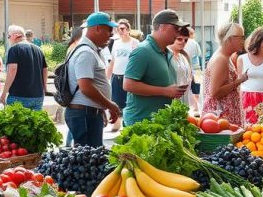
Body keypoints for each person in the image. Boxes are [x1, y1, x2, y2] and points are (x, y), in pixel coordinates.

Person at [63, 13, 121, 147]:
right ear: (98, 28)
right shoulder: (86, 52)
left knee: (92, 158)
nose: (111, 34)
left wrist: (100, 109)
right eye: (109, 30)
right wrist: (109, 105)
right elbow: (86, 87)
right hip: (84, 115)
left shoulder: (91, 50)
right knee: (86, 161)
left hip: (88, 113)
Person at [123, 10, 188, 125]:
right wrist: (165, 91)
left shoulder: (167, 52)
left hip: (159, 121)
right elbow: (128, 85)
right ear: (162, 27)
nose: (178, 33)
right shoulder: (143, 51)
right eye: (175, 28)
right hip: (142, 122)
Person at [203, 22, 245, 123]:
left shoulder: (225, 57)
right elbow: (215, 92)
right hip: (221, 117)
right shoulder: (221, 59)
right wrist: (239, 81)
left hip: (223, 115)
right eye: (241, 38)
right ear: (230, 39)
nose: (243, 41)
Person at [1, 24, 48, 111]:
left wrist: (4, 93)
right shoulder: (38, 49)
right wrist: (44, 88)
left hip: (19, 95)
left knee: (16, 124)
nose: (8, 39)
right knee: (35, 124)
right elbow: (44, 69)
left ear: (15, 36)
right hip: (38, 95)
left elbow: (12, 70)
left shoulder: (14, 49)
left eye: (8, 36)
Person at [238, 27, 263, 125]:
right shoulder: (242, 59)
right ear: (257, 41)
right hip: (246, 98)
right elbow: (238, 83)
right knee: (247, 130)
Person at [106, 19, 139, 131]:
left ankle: (128, 124)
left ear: (128, 30)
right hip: (116, 76)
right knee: (115, 101)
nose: (120, 31)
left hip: (128, 77)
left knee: (128, 101)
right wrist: (107, 77)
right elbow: (112, 61)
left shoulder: (135, 43)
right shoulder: (116, 43)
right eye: (118, 29)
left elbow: (138, 60)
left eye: (122, 28)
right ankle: (116, 123)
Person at [169, 26, 196, 110]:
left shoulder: (183, 57)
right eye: (179, 39)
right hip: (170, 104)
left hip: (184, 103)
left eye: (186, 40)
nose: (183, 42)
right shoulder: (165, 56)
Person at [184, 35, 204, 109]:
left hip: (186, 68)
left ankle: (192, 106)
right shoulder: (194, 43)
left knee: (188, 89)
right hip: (196, 68)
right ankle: (196, 107)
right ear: (191, 34)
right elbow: (199, 54)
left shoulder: (182, 42)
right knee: (197, 88)